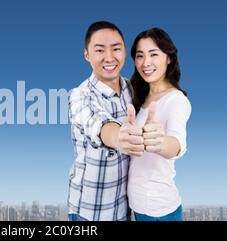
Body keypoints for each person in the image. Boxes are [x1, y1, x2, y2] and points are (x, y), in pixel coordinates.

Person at [67, 21, 133, 221]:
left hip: (124, 208)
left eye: (116, 49)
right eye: (99, 50)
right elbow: (98, 124)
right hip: (90, 212)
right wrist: (120, 136)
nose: (109, 57)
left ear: (124, 51)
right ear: (87, 55)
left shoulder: (132, 89)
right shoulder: (80, 95)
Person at [126, 27, 192, 221]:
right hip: (138, 207)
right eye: (140, 56)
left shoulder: (176, 101)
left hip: (160, 211)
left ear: (169, 58)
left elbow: (177, 143)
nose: (146, 62)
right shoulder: (139, 96)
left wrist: (159, 142)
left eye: (154, 54)